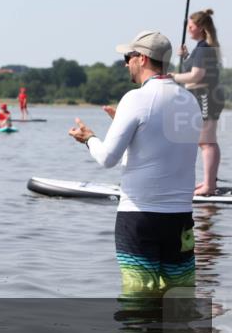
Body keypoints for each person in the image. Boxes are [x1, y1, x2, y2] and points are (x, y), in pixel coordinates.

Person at [68, 31, 198, 294]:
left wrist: (89, 138)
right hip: (181, 219)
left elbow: (107, 158)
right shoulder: (190, 101)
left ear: (142, 58)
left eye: (128, 57)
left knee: (139, 303)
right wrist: (121, 124)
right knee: (180, 301)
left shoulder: (135, 99)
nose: (125, 63)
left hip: (140, 217)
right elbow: (162, 148)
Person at [173, 9, 223, 196]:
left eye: (191, 26)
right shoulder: (201, 48)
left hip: (206, 96)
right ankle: (209, 182)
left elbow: (197, 75)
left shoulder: (203, 49)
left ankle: (209, 185)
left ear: (200, 28)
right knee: (207, 142)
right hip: (204, 96)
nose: (188, 30)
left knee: (206, 142)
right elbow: (195, 70)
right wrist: (186, 57)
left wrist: (173, 76)